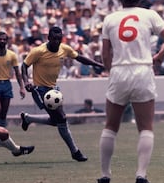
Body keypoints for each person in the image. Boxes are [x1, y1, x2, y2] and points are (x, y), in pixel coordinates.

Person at [97, 0, 164, 183]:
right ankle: (141, 175)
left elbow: (105, 54)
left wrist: (110, 70)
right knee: (145, 127)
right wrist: (159, 56)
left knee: (111, 126)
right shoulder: (149, 15)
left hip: (119, 71)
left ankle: (105, 175)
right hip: (142, 70)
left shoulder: (110, 19)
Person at [20, 26, 104, 162]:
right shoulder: (38, 51)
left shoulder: (64, 49)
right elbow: (24, 66)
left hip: (54, 89)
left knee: (57, 121)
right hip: (40, 90)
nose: (56, 42)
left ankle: (28, 118)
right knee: (62, 118)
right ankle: (75, 152)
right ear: (48, 38)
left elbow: (80, 58)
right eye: (54, 39)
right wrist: (26, 82)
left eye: (59, 39)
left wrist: (98, 65)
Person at [0, 31, 26, 132]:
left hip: (7, 84)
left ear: (7, 41)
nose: (2, 41)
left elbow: (17, 72)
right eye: (0, 39)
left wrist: (22, 87)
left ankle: (2, 134)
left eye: (4, 39)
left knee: (3, 113)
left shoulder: (12, 55)